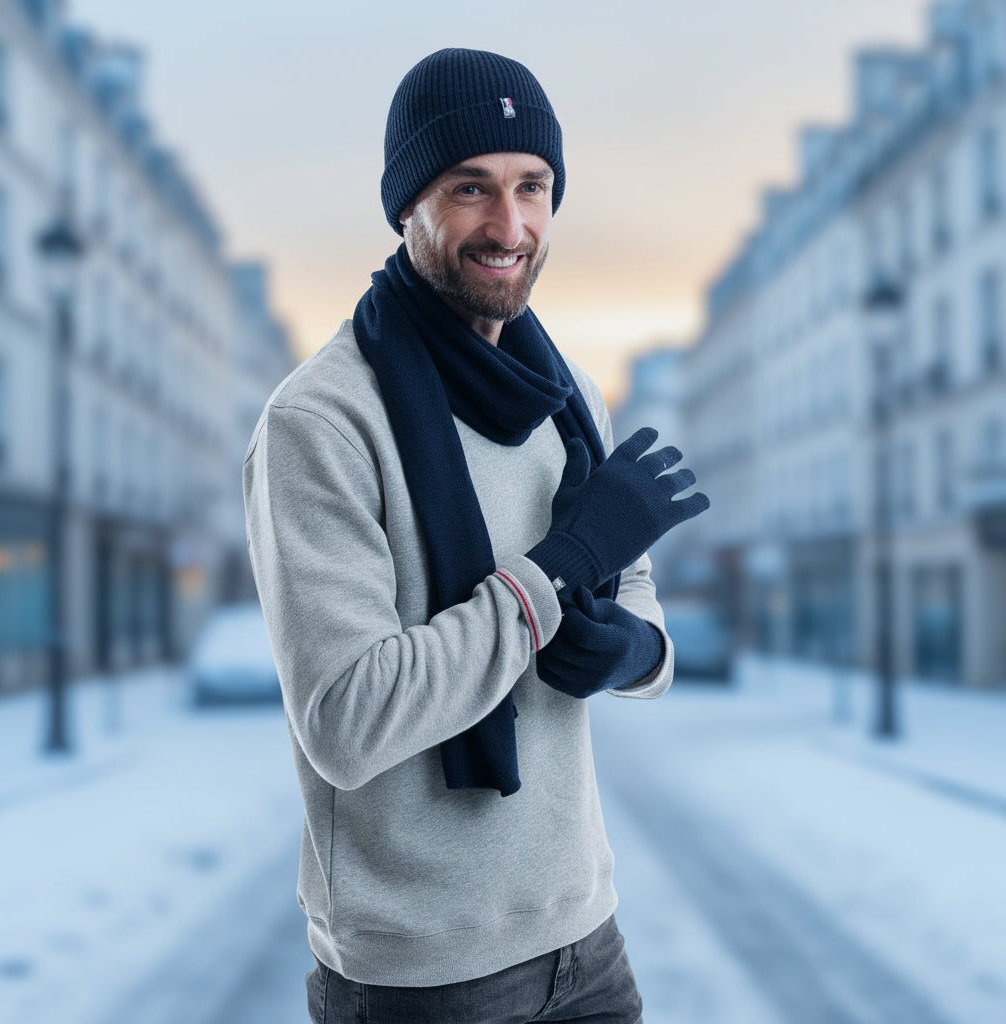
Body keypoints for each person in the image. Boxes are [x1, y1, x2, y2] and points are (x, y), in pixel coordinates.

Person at [243, 47, 708, 1024]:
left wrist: (629, 648)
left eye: (532, 186)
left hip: (586, 937)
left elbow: (640, 617)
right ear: (406, 202)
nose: (510, 226)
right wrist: (556, 572)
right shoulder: (322, 422)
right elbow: (346, 717)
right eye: (470, 189)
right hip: (424, 976)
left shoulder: (569, 397)